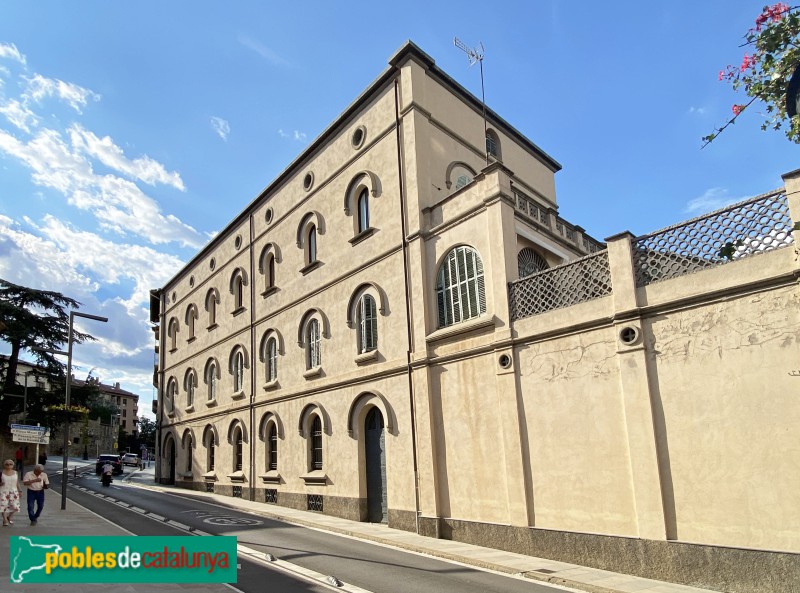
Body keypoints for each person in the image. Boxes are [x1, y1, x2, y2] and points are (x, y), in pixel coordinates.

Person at [0, 459, 22, 526]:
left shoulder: (15, 472)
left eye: (10, 464)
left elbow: (17, 482)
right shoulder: (1, 473)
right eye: (7, 464)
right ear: (4, 465)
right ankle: (5, 520)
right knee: (3, 505)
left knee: (15, 506)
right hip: (3, 491)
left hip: (14, 491)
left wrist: (20, 490)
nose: (9, 465)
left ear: (13, 465)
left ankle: (9, 516)